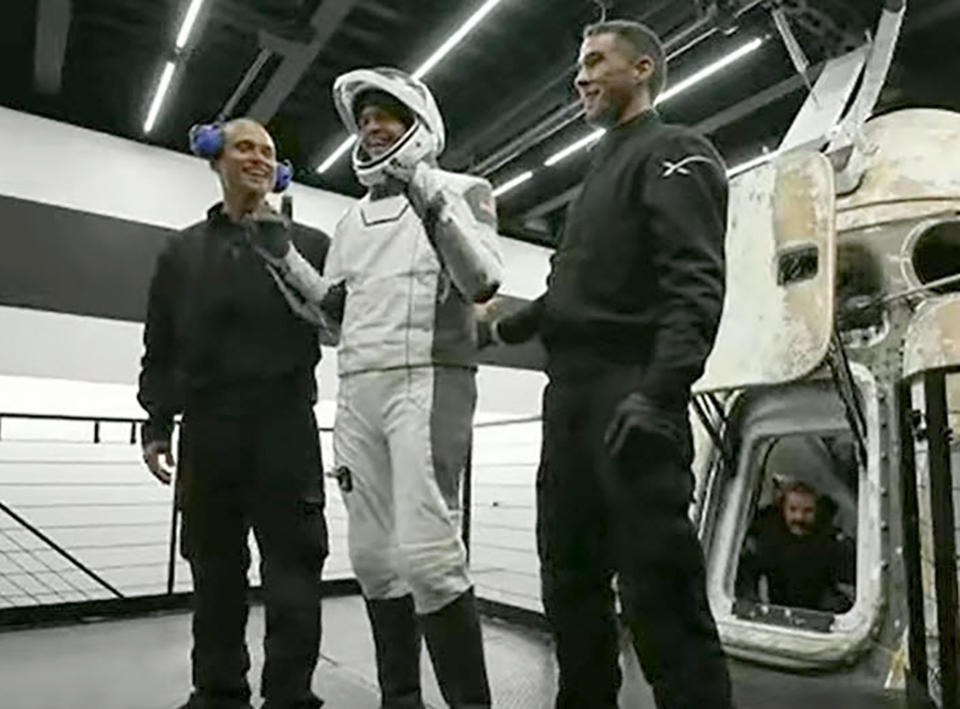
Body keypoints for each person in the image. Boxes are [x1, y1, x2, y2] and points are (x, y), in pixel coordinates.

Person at [478, 19, 734, 709]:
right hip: (569, 404)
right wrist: (503, 326)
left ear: (643, 68)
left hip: (632, 397)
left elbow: (695, 284)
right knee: (569, 581)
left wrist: (659, 393)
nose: (581, 77)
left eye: (596, 61)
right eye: (579, 65)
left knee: (660, 595)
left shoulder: (675, 151)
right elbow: (571, 292)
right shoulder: (599, 173)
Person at [250, 67, 503, 708]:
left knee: (428, 557)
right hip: (359, 387)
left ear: (418, 122)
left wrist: (428, 196)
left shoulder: (465, 189)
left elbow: (482, 282)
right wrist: (283, 257)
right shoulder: (350, 222)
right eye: (363, 117)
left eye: (384, 112)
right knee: (371, 559)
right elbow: (333, 319)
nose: (371, 125)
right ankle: (401, 699)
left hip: (431, 380)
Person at [138, 117, 330, 709]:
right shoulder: (181, 251)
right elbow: (161, 343)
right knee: (214, 571)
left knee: (293, 572)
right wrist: (156, 423)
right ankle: (218, 692)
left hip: (285, 425)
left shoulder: (309, 245)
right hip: (208, 429)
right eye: (245, 147)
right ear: (216, 160)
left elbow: (338, 319)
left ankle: (290, 698)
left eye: (268, 151)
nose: (258, 158)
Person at [736, 480, 856, 613]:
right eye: (793, 510)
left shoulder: (832, 544)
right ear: (783, 509)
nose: (799, 517)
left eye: (808, 511)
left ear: (817, 511)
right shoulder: (768, 539)